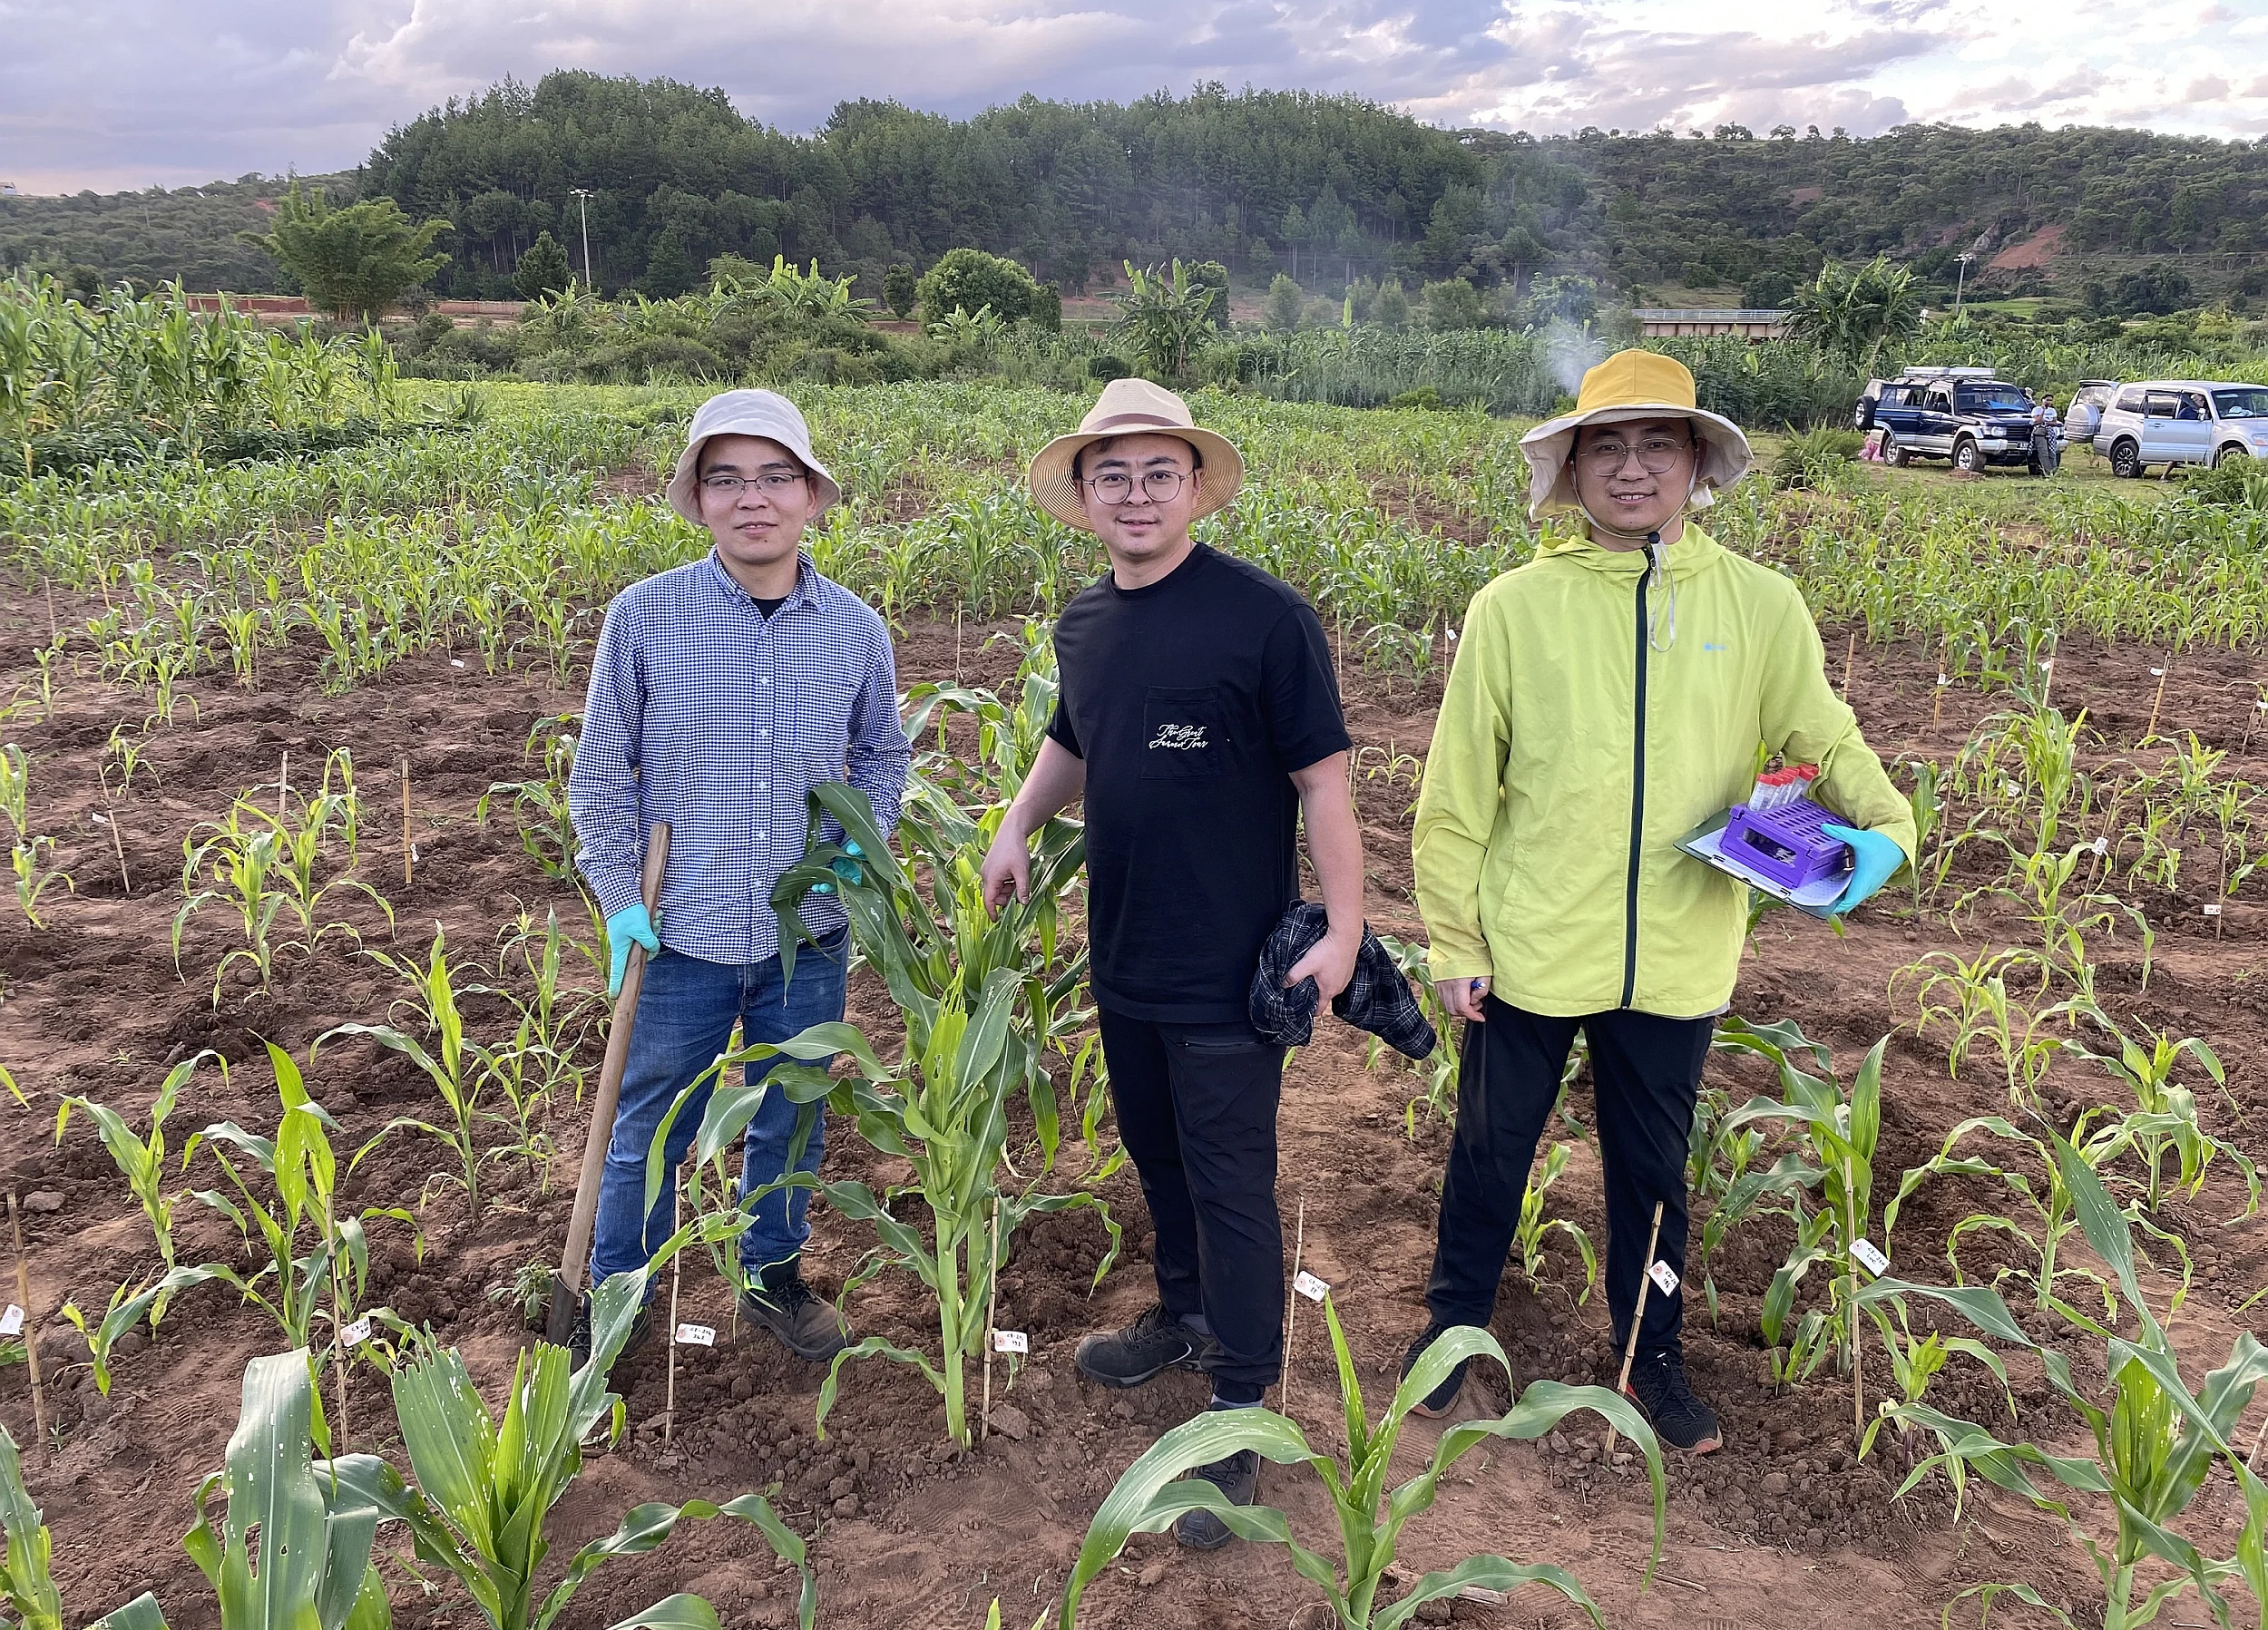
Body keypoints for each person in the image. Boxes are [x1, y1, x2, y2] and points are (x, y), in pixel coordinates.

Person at [1400, 349, 1915, 1453]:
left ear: (1694, 466)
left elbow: (1821, 735)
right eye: (1607, 447)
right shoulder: (1512, 610)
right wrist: (1453, 935)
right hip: (1531, 940)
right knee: (1491, 1150)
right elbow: (1454, 795)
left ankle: (1653, 1358)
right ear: (1573, 470)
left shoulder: (1759, 606)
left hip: (1679, 951)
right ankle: (1449, 1337)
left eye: (1657, 447)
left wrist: (1887, 819)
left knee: (1652, 1172)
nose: (1631, 470)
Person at [979, 378, 1364, 1549]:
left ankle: (1239, 1407)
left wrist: (1344, 929)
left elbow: (1326, 784)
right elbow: (1074, 736)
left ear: (1194, 484)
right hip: (1125, 956)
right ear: (1085, 495)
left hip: (1231, 966)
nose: (1136, 493)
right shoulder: (1086, 623)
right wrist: (1016, 820)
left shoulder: (1264, 617)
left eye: (1158, 472)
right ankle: (1188, 1313)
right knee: (1157, 1155)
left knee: (1233, 1180)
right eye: (1114, 475)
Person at [568, 388, 912, 1371]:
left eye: (774, 478)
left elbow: (883, 756)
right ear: (700, 499)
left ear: (809, 496)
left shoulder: (854, 629)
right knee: (651, 1126)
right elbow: (599, 774)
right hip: (678, 930)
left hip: (806, 931)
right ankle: (616, 1292)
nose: (751, 499)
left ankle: (771, 1273)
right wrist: (621, 900)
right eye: (727, 479)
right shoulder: (643, 618)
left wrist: (859, 848)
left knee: (792, 1112)